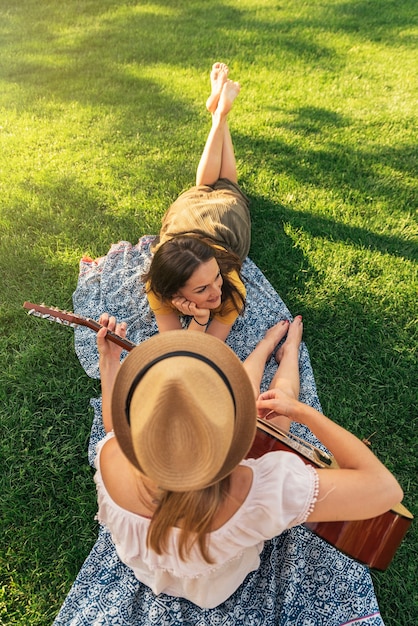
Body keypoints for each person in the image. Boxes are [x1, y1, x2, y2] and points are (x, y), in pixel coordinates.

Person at [91, 312, 403, 611]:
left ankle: (266, 347)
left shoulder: (110, 455)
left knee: (257, 404)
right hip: (216, 585)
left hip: (147, 568)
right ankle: (287, 352)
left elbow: (113, 430)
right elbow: (385, 489)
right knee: (278, 413)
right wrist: (301, 411)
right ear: (230, 438)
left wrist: (109, 363)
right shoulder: (263, 491)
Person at [143, 63, 250, 342]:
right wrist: (201, 320)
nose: (217, 291)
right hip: (193, 216)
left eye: (215, 277)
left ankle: (220, 115)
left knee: (226, 186)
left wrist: (200, 316)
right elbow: (189, 348)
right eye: (202, 290)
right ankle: (218, 114)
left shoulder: (230, 285)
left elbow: (194, 348)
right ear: (174, 293)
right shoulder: (159, 288)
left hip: (216, 219)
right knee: (210, 185)